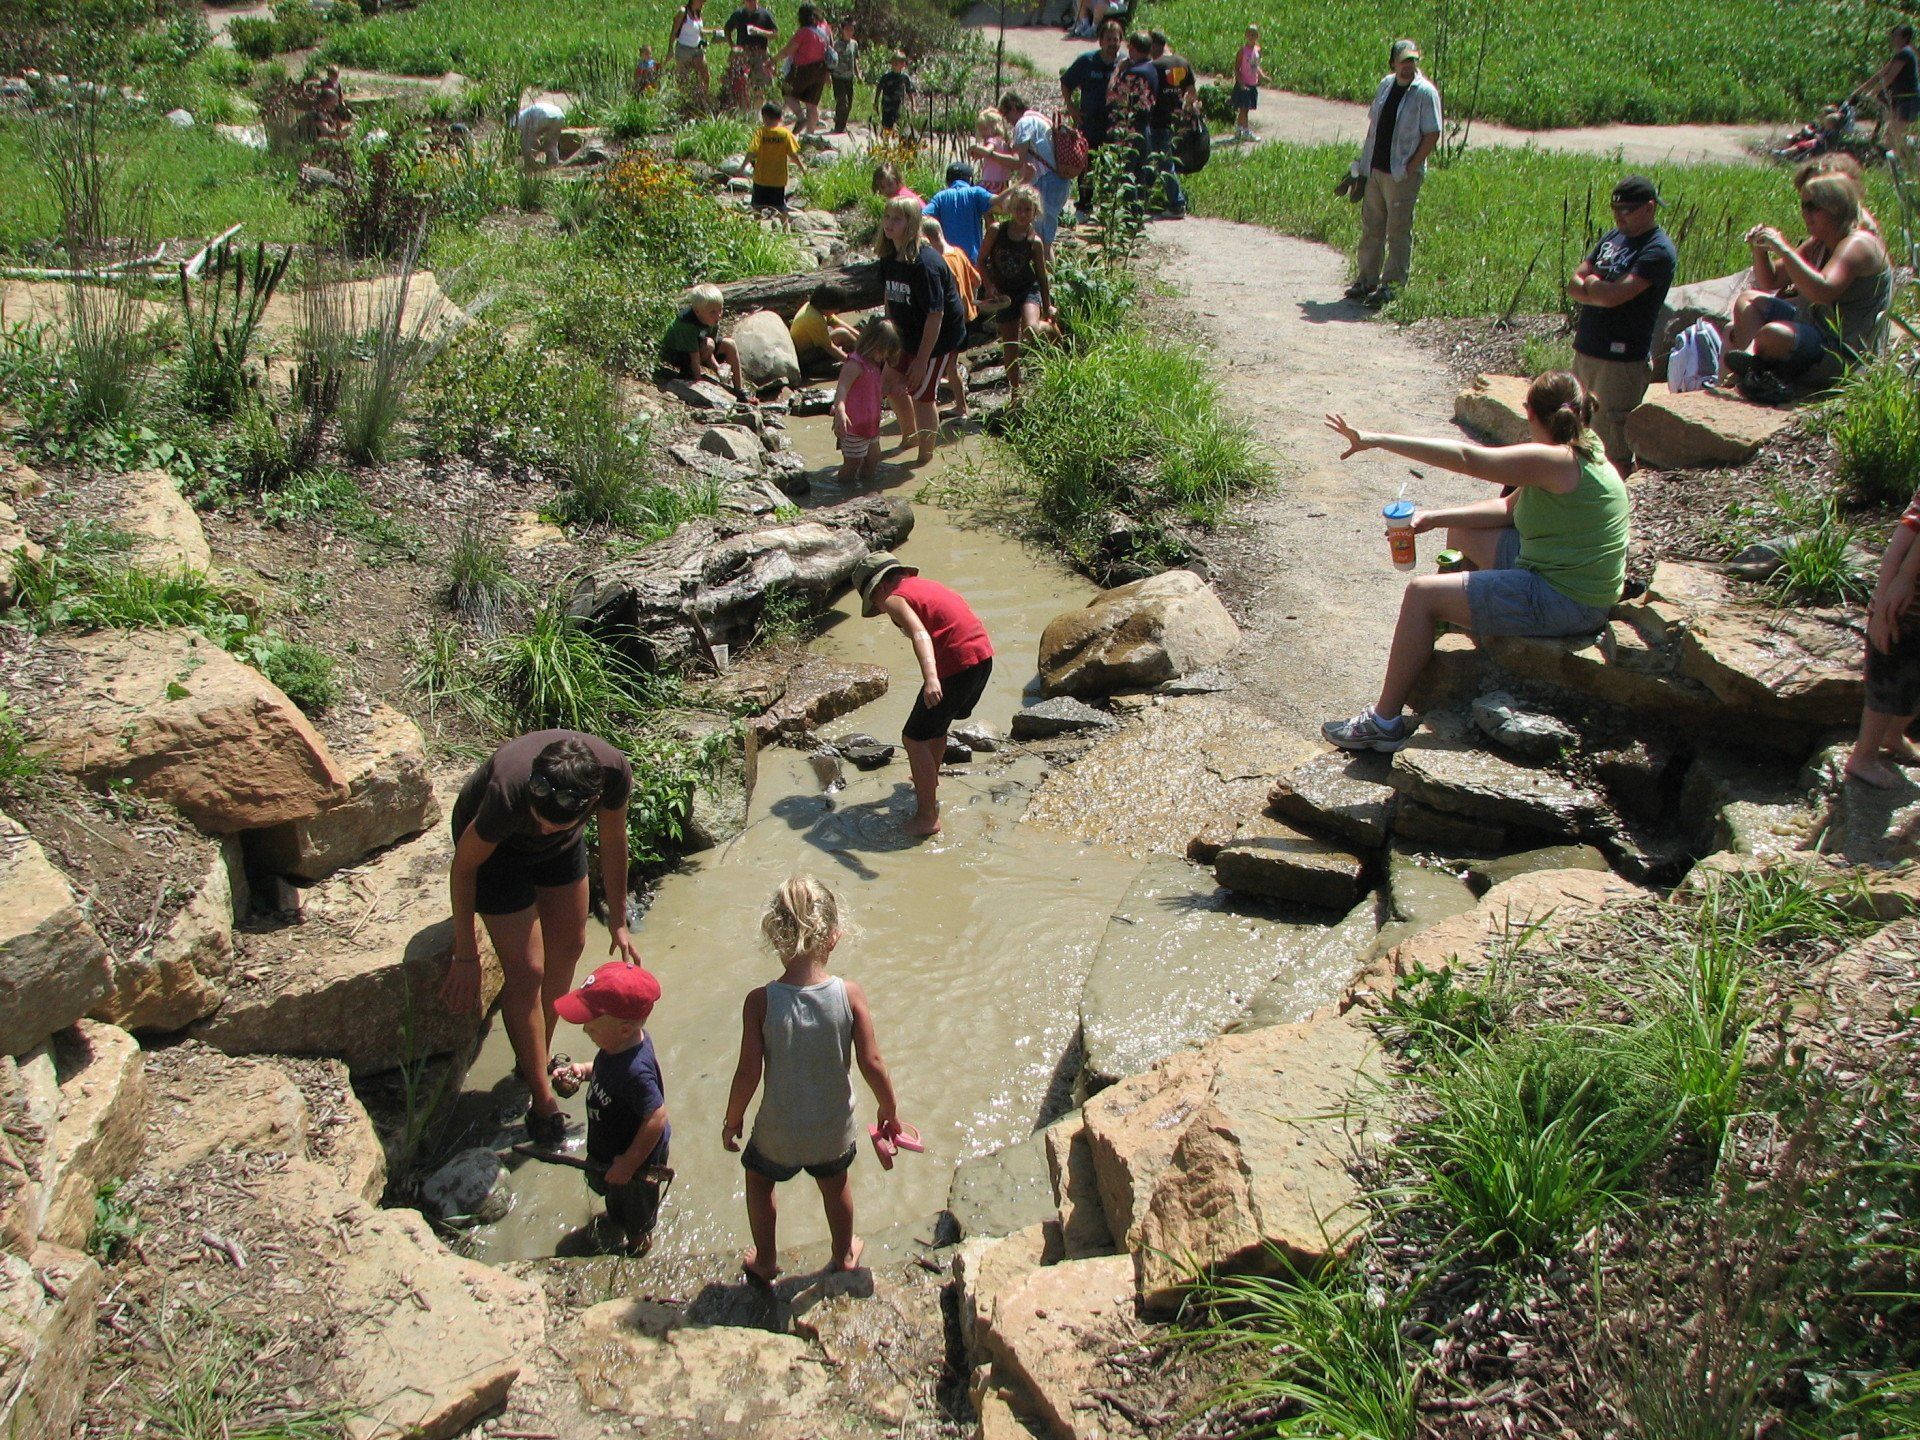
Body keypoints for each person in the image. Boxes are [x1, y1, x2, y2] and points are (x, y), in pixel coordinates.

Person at [1320, 372, 1629, 753]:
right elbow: (1508, 509)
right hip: (1563, 572)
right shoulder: (1585, 447)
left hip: (1567, 600)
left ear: (1529, 412)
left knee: (1421, 594)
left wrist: (1376, 439)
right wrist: (1433, 518)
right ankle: (1464, 620)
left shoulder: (1555, 459)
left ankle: (1383, 723)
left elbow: (1467, 458)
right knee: (1462, 533)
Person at [442, 732, 644, 1148]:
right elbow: (463, 868)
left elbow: (611, 838)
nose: (542, 826)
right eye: (540, 817)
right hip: (497, 854)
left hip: (559, 852)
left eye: (554, 821)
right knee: (527, 970)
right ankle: (541, 1096)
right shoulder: (509, 794)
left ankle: (533, 1057)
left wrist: (619, 920)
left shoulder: (611, 774)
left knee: (570, 945)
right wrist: (466, 954)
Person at [723, 877, 903, 1284]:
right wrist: (888, 1106)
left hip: (777, 1131)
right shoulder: (849, 994)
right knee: (835, 1185)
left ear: (773, 934)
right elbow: (872, 1061)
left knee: (759, 1181)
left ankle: (766, 1260)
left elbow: (747, 1073)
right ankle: (843, 1255)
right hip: (831, 1128)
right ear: (835, 937)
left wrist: (733, 1120)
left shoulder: (760, 1001)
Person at [852, 553, 993, 833]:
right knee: (935, 729)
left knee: (913, 738)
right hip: (982, 659)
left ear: (880, 588)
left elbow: (919, 633)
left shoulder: (893, 598)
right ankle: (929, 779)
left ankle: (927, 817)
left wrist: (931, 678)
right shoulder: (927, 586)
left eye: (875, 604)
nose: (881, 610)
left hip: (954, 667)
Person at [1719, 172, 1892, 398]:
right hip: (1816, 327)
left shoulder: (1858, 245)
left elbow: (1823, 292)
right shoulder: (1821, 241)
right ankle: (1759, 371)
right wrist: (1760, 251)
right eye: (1803, 205)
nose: (1805, 213)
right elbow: (1770, 281)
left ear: (1836, 208)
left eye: (1813, 206)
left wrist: (1784, 248)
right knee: (1748, 300)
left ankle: (1759, 370)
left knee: (1772, 335)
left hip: (1843, 351)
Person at [550, 962, 670, 1255]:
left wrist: (629, 1163)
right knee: (614, 1194)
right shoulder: (616, 1045)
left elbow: (657, 1116)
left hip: (637, 1159)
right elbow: (607, 1070)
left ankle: (638, 1246)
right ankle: (617, 1214)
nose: (583, 1028)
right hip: (611, 1146)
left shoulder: (635, 1071)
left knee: (637, 1214)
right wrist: (584, 1070)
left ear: (624, 1028)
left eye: (590, 1024)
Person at [1565, 174, 1676, 474]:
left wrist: (1593, 287)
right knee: (1576, 429)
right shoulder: (1612, 238)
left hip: (1622, 358)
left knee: (1611, 442)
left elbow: (1615, 296)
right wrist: (1594, 286)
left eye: (1626, 210)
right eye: (1615, 209)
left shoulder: (1657, 250)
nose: (1619, 216)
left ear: (1650, 208)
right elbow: (1574, 283)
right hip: (1588, 347)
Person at [1345, 39, 1442, 307]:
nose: (1408, 65)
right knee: (1371, 227)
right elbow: (1374, 127)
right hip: (1376, 167)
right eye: (1404, 60)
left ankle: (1393, 285)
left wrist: (1411, 167)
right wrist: (1362, 167)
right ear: (1393, 63)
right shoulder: (1386, 85)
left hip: (1401, 174)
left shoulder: (1425, 92)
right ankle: (1367, 280)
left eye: (1412, 60)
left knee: (1398, 230)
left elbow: (1433, 133)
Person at [877, 195, 966, 464]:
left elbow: (935, 315)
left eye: (897, 219)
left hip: (938, 337)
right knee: (890, 385)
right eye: (887, 217)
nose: (889, 223)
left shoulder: (925, 264)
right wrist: (891, 338)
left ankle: (924, 459)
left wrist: (921, 361)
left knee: (922, 395)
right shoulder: (890, 255)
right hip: (906, 332)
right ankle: (909, 436)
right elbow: (889, 296)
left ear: (912, 223)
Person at [1848, 490, 1920, 787]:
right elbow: (1897, 550)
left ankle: (1893, 734)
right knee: (1888, 684)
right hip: (1904, 612)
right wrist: (1881, 609)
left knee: (1913, 684)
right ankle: (1863, 757)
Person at [978, 185, 1055, 405]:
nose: (1023, 214)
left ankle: (1048, 327)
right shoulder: (996, 231)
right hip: (1003, 294)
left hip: (1027, 290)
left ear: (1035, 212)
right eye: (1019, 209)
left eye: (1028, 210)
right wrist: (989, 285)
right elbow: (982, 260)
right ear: (1011, 209)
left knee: (1030, 330)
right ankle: (1015, 395)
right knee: (1010, 347)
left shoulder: (1035, 242)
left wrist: (1048, 306)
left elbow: (1042, 276)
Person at [1060, 20, 1122, 220]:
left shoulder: (1123, 64)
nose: (1113, 43)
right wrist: (1072, 108)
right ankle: (1084, 205)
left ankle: (1108, 208)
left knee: (1112, 166)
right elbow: (1066, 83)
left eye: (1116, 39)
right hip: (1089, 125)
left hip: (1115, 126)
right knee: (1086, 166)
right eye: (1109, 39)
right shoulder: (1087, 61)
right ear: (1101, 40)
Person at [832, 317, 904, 484]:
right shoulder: (855, 364)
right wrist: (840, 411)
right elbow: (842, 389)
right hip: (852, 425)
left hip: (871, 424)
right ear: (870, 343)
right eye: (881, 352)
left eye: (886, 355)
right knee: (852, 464)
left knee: (873, 459)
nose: (882, 358)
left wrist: (892, 390)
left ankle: (866, 491)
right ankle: (844, 489)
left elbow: (873, 391)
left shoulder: (873, 365)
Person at [923, 216, 979, 419]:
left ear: (927, 238)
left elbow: (949, 294)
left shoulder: (941, 262)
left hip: (952, 321)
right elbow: (977, 280)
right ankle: (953, 398)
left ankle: (962, 407)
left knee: (951, 366)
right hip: (967, 317)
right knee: (949, 364)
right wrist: (971, 299)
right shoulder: (958, 252)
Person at [1000, 90, 1068, 249]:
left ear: (1014, 107)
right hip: (1059, 181)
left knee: (1042, 240)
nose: (1007, 121)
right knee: (1044, 239)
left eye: (1006, 114)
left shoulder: (1024, 123)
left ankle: (1046, 273)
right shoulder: (1039, 119)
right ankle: (1047, 272)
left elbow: (1018, 161)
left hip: (1046, 181)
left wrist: (988, 154)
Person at [1107, 32, 1162, 209]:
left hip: (1129, 128)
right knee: (1141, 172)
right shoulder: (1152, 68)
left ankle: (1131, 213)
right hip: (1145, 127)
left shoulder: (1133, 73)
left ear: (1133, 48)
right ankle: (1139, 211)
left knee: (1128, 173)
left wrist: (1118, 69)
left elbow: (1111, 95)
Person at [660, 283, 747, 395]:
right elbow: (694, 355)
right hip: (680, 354)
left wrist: (718, 369)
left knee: (729, 344)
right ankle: (690, 375)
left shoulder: (712, 319)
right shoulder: (687, 324)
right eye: (713, 312)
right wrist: (699, 382)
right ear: (697, 312)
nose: (718, 315)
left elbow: (710, 350)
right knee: (709, 344)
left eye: (720, 310)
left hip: (701, 348)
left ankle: (739, 390)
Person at [1147, 28, 1194, 219]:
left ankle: (1177, 204)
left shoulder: (1155, 66)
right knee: (1159, 160)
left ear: (1154, 46)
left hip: (1157, 120)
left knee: (1164, 163)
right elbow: (1191, 91)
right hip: (1176, 119)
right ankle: (1145, 196)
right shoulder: (1182, 62)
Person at [1856, 22, 1919, 156]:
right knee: (1892, 136)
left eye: (1896, 35)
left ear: (1905, 37)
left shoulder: (1905, 53)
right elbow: (1881, 73)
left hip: (1907, 100)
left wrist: (1872, 93)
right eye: (1893, 35)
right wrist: (1859, 91)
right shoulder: (1902, 53)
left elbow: (1889, 77)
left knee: (1892, 137)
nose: (1893, 38)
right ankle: (1904, 161)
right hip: (1902, 100)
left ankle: (1907, 163)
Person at [772, 3, 831, 136]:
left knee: (787, 92)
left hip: (803, 69)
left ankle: (800, 117)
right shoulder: (824, 30)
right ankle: (810, 135)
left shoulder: (803, 32)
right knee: (812, 104)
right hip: (821, 69)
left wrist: (772, 60)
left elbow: (787, 51)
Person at [925, 161, 998, 263]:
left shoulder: (940, 197)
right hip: (972, 260)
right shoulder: (976, 193)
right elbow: (1000, 205)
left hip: (949, 260)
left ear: (947, 181)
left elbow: (922, 216)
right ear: (970, 179)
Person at [748, 99, 804, 212]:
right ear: (780, 118)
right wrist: (802, 167)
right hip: (778, 180)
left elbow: (752, 152)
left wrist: (742, 166)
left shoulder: (760, 133)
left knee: (757, 208)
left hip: (761, 179)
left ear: (765, 118)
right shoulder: (786, 134)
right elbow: (793, 154)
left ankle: (757, 228)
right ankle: (783, 228)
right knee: (779, 209)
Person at [722, 0, 777, 112]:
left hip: (760, 54)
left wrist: (760, 32)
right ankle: (743, 112)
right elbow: (727, 29)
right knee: (739, 83)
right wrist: (732, 45)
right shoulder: (738, 14)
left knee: (759, 86)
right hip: (742, 53)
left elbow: (775, 34)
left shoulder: (765, 14)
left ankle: (757, 114)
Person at [791, 283, 858, 370]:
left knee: (843, 333)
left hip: (814, 348)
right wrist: (852, 363)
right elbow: (829, 347)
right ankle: (863, 359)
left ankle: (864, 355)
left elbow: (838, 323)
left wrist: (861, 339)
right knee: (842, 333)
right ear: (827, 305)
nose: (837, 311)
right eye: (835, 308)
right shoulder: (813, 318)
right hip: (804, 357)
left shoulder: (815, 307)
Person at [669, 0, 711, 110]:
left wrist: (714, 33)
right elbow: (674, 30)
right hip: (684, 50)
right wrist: (670, 48)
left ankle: (702, 101)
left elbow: (699, 31)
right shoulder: (683, 12)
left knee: (704, 75)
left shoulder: (698, 13)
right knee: (684, 79)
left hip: (697, 49)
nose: (703, 3)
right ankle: (684, 105)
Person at [1232, 25, 1268, 143]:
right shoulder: (1242, 51)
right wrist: (1241, 82)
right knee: (1244, 109)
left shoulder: (1257, 50)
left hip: (1253, 83)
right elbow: (1237, 68)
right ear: (1246, 35)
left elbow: (1256, 65)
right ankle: (1245, 131)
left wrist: (1262, 76)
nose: (1252, 37)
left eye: (1255, 34)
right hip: (1244, 84)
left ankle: (1239, 130)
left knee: (1246, 109)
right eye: (1250, 34)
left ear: (1258, 36)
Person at [970, 109, 1020, 192]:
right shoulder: (1002, 141)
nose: (982, 133)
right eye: (981, 130)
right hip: (1003, 182)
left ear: (995, 127)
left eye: (985, 129)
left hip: (992, 182)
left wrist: (974, 148)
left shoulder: (993, 140)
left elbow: (987, 151)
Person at [514, 97, 567, 169]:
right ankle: (553, 163)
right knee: (551, 142)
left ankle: (530, 164)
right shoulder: (524, 113)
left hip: (543, 115)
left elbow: (529, 139)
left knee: (526, 141)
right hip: (559, 115)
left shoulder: (517, 119)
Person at [828, 20, 860, 133]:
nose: (850, 32)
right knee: (842, 101)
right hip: (838, 77)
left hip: (849, 78)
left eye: (852, 29)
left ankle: (842, 125)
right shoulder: (836, 44)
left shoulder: (854, 44)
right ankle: (838, 125)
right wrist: (828, 76)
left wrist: (858, 74)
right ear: (842, 30)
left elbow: (855, 60)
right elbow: (830, 61)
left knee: (849, 104)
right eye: (847, 29)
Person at [877, 50, 914, 132]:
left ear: (903, 64)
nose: (895, 65)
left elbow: (909, 91)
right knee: (886, 127)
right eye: (893, 63)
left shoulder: (904, 78)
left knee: (897, 127)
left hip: (898, 106)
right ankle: (885, 143)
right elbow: (879, 89)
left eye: (897, 63)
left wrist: (913, 104)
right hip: (887, 106)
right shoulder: (886, 77)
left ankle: (896, 143)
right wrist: (876, 102)